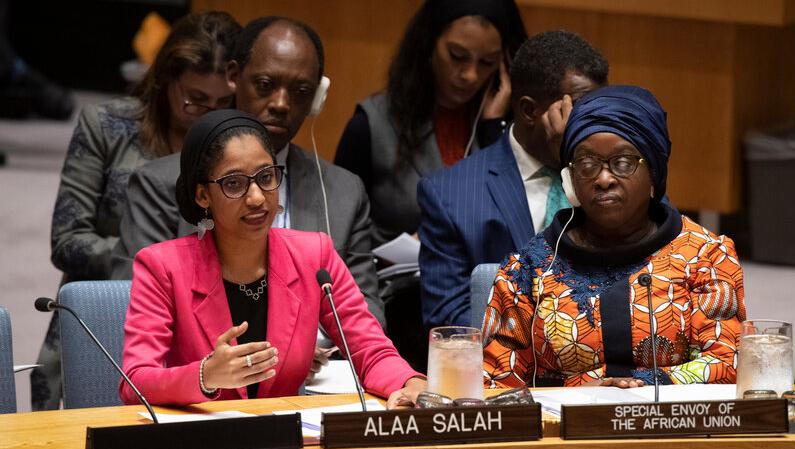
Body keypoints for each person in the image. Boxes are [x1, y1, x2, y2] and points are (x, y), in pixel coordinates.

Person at [120, 109, 426, 407]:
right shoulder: (163, 267)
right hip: (201, 431)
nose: (256, 197)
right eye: (234, 183)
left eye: (266, 177)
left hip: (288, 430)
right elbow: (135, 382)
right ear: (203, 196)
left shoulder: (314, 255)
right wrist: (205, 376)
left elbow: (370, 348)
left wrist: (409, 383)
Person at [109, 17, 383, 331]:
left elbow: (368, 315)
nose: (281, 104)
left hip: (318, 361)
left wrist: (312, 348)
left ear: (316, 99)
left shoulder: (343, 192)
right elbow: (133, 310)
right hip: (206, 359)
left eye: (301, 90)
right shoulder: (159, 184)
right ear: (234, 77)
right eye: (265, 85)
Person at [34, 11, 240, 410]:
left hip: (206, 332)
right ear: (165, 79)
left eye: (222, 102)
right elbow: (68, 241)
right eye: (195, 99)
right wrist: (159, 262)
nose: (208, 114)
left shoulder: (235, 145)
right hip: (109, 311)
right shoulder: (106, 126)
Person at [483, 85, 746, 388]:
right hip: (563, 418)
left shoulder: (706, 255)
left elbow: (727, 364)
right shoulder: (529, 269)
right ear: (570, 180)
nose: (604, 179)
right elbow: (494, 382)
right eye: (587, 164)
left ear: (654, 172)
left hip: (672, 418)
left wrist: (631, 390)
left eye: (623, 163)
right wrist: (581, 396)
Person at [418, 30, 608, 329]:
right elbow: (450, 317)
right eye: (580, 110)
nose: (596, 125)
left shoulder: (622, 175)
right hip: (506, 356)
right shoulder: (449, 194)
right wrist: (554, 338)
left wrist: (580, 165)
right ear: (530, 110)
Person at [334, 0, 528, 247]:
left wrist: (493, 129)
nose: (470, 75)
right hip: (389, 271)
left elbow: (516, 222)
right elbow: (339, 231)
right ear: (428, 44)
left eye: (487, 62)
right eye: (457, 56)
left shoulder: (510, 129)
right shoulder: (370, 125)